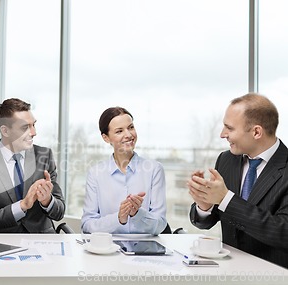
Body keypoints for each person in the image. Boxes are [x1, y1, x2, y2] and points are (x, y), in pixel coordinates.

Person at [188, 93, 288, 268]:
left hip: (272, 275)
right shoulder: (226, 160)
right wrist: (205, 205)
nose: (222, 134)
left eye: (230, 128)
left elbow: (283, 232)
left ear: (257, 132)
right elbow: (207, 222)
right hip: (229, 272)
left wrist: (225, 199)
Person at [0, 98, 65, 233]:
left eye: (33, 125)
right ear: (5, 131)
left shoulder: (44, 156)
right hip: (2, 245)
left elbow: (59, 212)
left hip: (42, 242)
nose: (33, 132)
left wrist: (47, 201)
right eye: (25, 127)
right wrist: (22, 206)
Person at [81, 107, 167, 235]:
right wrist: (118, 218)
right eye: (119, 131)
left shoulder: (154, 170)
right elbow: (87, 225)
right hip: (108, 250)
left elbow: (160, 225)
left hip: (145, 251)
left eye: (131, 127)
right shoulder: (96, 173)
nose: (128, 135)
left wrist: (138, 214)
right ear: (106, 138)